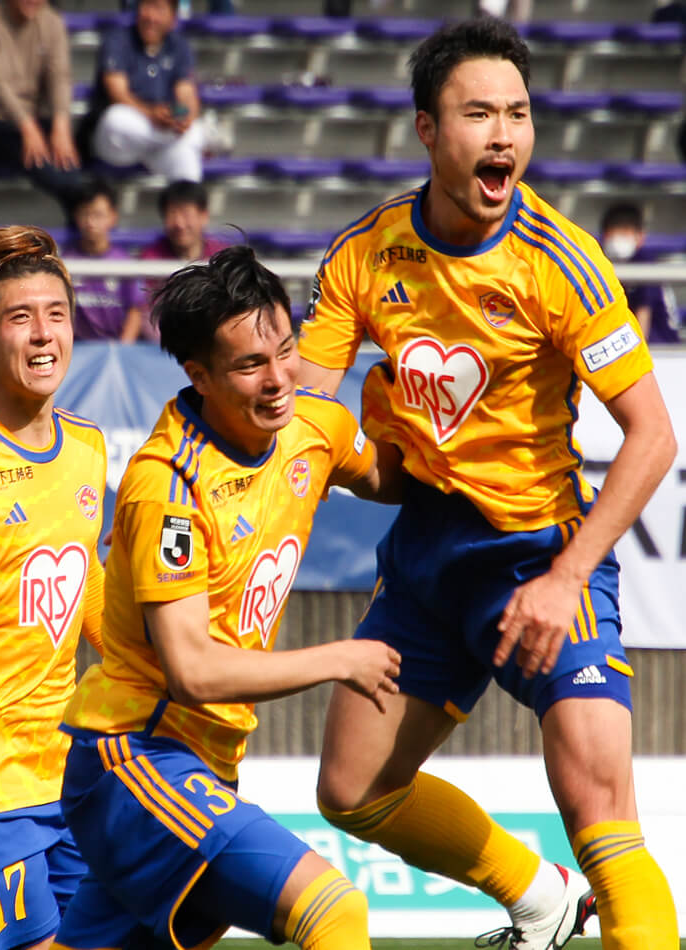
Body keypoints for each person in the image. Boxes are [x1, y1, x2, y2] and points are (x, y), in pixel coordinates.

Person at [298, 17, 678, 950]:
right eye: (479, 114)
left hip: (543, 555)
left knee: (602, 813)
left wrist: (565, 577)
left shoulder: (561, 261)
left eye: (518, 113)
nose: (504, 134)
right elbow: (303, 420)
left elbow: (652, 437)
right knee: (350, 791)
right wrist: (354, 465)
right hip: (429, 558)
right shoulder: (363, 254)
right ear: (428, 130)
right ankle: (540, 898)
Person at [50, 245, 404, 950]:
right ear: (199, 375)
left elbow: (390, 481)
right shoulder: (169, 487)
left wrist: (416, 415)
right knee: (334, 910)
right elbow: (194, 671)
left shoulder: (313, 427)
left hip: (205, 765)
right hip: (135, 758)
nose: (278, 380)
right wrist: (340, 658)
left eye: (285, 352)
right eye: (250, 365)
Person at [0, 226, 106, 950]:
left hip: (68, 774)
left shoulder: (88, 447)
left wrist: (157, 664)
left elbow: (88, 584)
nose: (41, 334)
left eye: (55, 314)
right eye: (19, 317)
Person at [0, 0, 83, 219]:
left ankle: (83, 218)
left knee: (69, 164)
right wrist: (27, 126)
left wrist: (61, 125)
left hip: (37, 117)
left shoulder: (52, 22)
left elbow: (60, 76)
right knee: (58, 176)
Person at [88, 0, 205, 181]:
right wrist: (151, 114)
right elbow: (118, 93)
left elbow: (186, 93)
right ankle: (198, 137)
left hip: (160, 137)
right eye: (146, 6)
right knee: (116, 118)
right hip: (121, 139)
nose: (151, 16)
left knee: (188, 156)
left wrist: (183, 118)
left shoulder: (179, 45)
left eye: (159, 9)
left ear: (173, 19)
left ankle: (187, 196)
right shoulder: (118, 39)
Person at [138, 179, 229, 341]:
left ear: (204, 216)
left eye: (186, 214)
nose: (179, 223)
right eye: (172, 214)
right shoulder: (150, 259)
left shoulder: (222, 258)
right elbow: (145, 312)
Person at [62, 179, 144, 342]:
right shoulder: (65, 263)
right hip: (77, 349)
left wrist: (122, 350)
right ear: (76, 216)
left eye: (98, 215)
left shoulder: (125, 264)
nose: (90, 222)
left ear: (113, 217)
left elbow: (135, 311)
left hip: (116, 348)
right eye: (85, 214)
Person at [600, 202, 682, 345]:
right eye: (615, 232)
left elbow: (643, 317)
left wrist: (636, 351)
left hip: (659, 345)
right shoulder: (601, 260)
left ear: (640, 237)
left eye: (625, 232)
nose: (619, 239)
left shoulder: (645, 262)